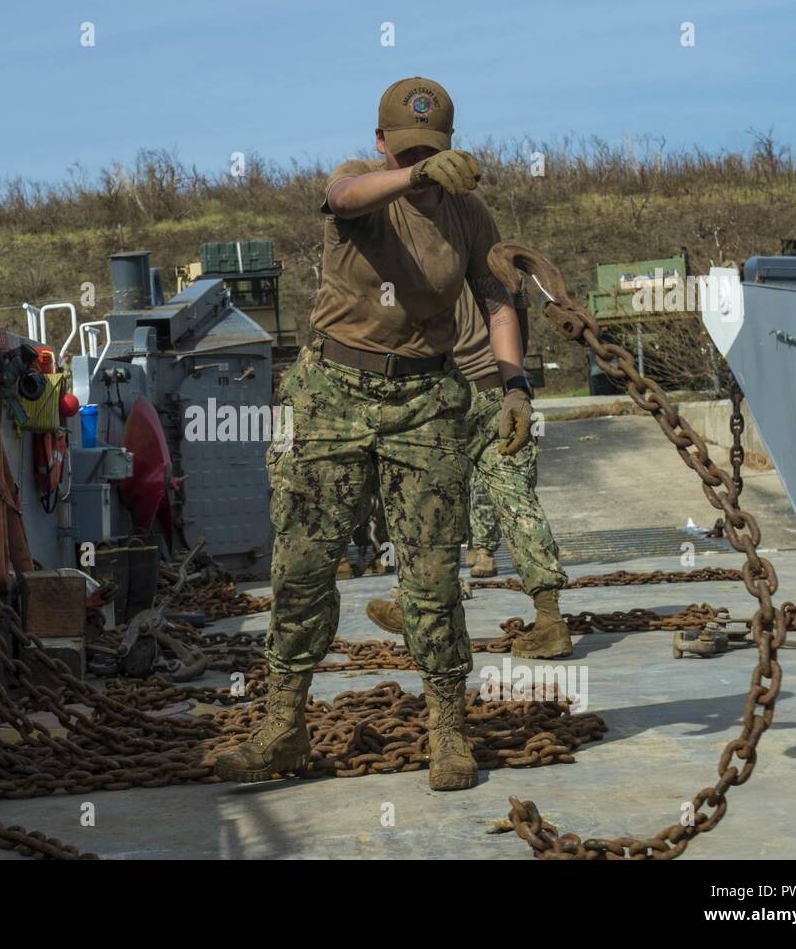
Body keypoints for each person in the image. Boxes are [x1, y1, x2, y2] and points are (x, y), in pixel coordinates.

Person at [212, 76, 532, 791]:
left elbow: (496, 297)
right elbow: (344, 196)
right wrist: (410, 174)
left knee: (430, 576)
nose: (423, 167)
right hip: (331, 391)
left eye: (434, 152)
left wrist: (513, 383)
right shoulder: (360, 183)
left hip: (424, 396)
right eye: (409, 149)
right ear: (381, 141)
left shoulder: (468, 214)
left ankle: (447, 727)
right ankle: (285, 723)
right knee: (301, 566)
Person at [365, 284, 574, 660]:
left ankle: (417, 611)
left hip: (443, 399)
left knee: (425, 509)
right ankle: (550, 620)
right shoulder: (487, 259)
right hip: (498, 394)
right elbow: (514, 322)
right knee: (518, 504)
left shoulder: (422, 260)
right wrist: (517, 391)